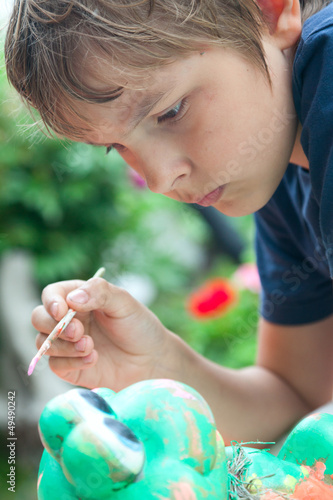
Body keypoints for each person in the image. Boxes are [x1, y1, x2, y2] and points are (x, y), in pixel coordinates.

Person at [4, 0, 333, 445]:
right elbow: (299, 404)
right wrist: (158, 365)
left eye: (171, 111)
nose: (157, 178)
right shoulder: (275, 172)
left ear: (271, 10)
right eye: (115, 146)